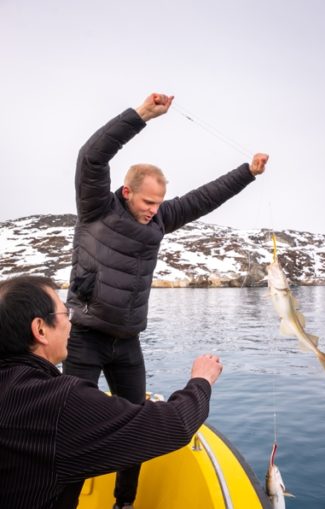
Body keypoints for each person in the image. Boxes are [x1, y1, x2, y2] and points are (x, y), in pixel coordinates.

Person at [63, 92, 268, 509]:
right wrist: (141, 115)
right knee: (73, 428)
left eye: (158, 203)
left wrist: (247, 172)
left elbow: (206, 196)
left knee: (136, 425)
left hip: (127, 340)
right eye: (146, 202)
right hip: (84, 334)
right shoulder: (97, 207)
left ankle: (124, 503)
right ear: (127, 191)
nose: (152, 210)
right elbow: (91, 157)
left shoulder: (159, 218)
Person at [0, 275, 223, 509]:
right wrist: (201, 379)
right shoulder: (59, 402)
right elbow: (175, 424)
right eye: (65, 313)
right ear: (40, 329)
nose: (70, 322)